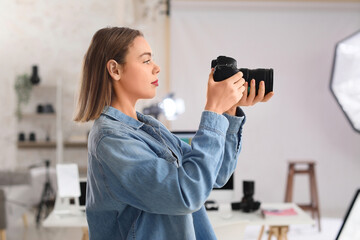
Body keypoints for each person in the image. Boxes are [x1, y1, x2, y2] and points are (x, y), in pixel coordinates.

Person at [74, 27, 273, 240]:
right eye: (146, 61)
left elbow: (216, 175)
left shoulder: (148, 127)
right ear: (115, 70)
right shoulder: (111, 139)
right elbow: (187, 194)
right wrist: (213, 110)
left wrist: (228, 111)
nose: (156, 68)